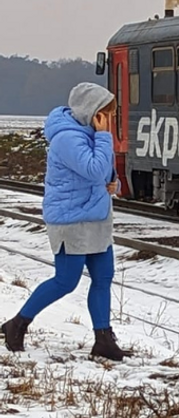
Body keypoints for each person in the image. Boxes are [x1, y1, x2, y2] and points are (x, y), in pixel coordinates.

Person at [1, 83, 128, 361]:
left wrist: (114, 185)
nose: (110, 120)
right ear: (92, 112)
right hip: (71, 220)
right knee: (65, 281)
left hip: (97, 219)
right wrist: (105, 138)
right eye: (106, 114)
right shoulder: (67, 138)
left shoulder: (95, 134)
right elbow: (94, 170)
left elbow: (105, 175)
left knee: (103, 278)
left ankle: (103, 338)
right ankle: (17, 324)